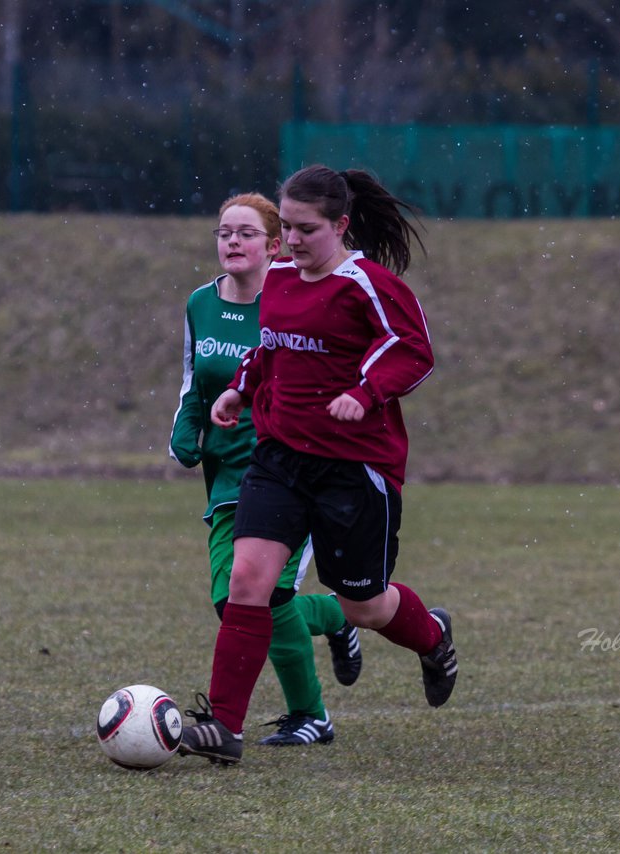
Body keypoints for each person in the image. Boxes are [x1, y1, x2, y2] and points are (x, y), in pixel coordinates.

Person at [178, 165, 458, 766]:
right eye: (290, 228)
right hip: (278, 459)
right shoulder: (279, 277)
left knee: (364, 604)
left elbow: (414, 352)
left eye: (307, 229)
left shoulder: (367, 286)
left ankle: (432, 636)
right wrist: (241, 389)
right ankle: (224, 728)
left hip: (353, 469)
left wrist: (365, 391)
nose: (294, 241)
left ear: (340, 226)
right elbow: (271, 345)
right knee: (247, 584)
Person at [169, 192, 364, 747]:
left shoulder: (291, 300)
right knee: (231, 602)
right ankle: (333, 616)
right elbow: (194, 380)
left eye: (246, 233)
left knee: (265, 596)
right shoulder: (199, 303)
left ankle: (311, 714)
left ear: (275, 245)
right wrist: (186, 433)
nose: (232, 240)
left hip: (287, 469)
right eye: (224, 231)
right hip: (226, 474)